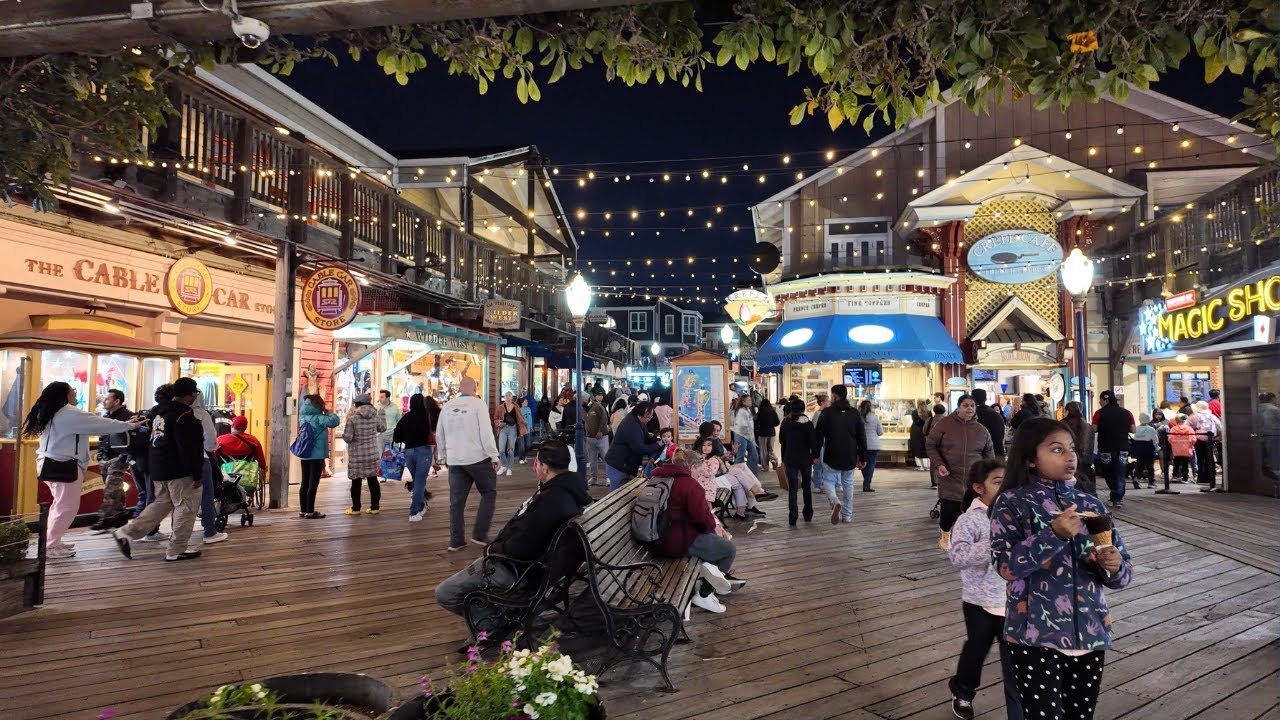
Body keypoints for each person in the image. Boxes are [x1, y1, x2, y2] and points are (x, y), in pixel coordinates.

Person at [991, 417, 1132, 719]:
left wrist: (1113, 565)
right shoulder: (1012, 503)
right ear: (1030, 458)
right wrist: (1052, 535)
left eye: (1071, 449)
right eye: (1057, 450)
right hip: (1034, 636)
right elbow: (1005, 566)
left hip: (1091, 633)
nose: (1070, 457)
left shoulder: (1090, 503)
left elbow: (1122, 572)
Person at [434, 439, 592, 635]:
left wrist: (493, 549)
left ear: (544, 467)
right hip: (544, 570)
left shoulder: (551, 500)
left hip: (518, 571)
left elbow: (520, 548)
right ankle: (500, 615)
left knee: (445, 593)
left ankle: (492, 623)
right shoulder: (571, 492)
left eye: (538, 464)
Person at [24, 381, 141, 558]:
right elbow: (102, 424)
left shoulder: (52, 411)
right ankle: (51, 545)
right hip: (63, 465)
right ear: (66, 395)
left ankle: (52, 540)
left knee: (60, 505)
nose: (75, 394)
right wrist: (129, 425)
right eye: (73, 391)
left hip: (50, 462)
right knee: (66, 506)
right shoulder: (69, 413)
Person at [946, 458, 1023, 720]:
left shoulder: (1016, 514)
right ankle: (963, 691)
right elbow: (958, 556)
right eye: (997, 482)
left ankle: (1019, 709)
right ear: (979, 488)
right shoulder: (969, 521)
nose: (1004, 487)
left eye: (1007, 481)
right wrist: (995, 543)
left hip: (1013, 600)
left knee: (1015, 661)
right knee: (976, 650)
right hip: (979, 601)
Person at [112, 377, 206, 561]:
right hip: (180, 471)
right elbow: (187, 448)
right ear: (190, 394)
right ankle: (176, 549)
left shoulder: (158, 413)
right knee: (186, 508)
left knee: (161, 503)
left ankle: (126, 532)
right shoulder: (184, 416)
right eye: (195, 392)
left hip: (157, 467)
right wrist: (197, 473)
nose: (195, 396)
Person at [650, 449, 746, 614]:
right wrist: (714, 527)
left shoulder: (659, 476)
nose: (698, 474)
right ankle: (704, 594)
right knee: (728, 549)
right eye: (698, 470)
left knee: (714, 539)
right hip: (675, 540)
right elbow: (703, 521)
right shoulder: (689, 485)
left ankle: (710, 572)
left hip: (657, 536)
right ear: (692, 467)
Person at [436, 377, 500, 551]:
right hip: (477, 457)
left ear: (459, 388)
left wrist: (442, 456)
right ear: (475, 387)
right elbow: (486, 433)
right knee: (488, 492)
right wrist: (494, 456)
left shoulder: (447, 406)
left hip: (455, 459)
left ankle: (456, 541)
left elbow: (439, 433)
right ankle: (479, 534)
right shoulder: (478, 404)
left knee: (456, 502)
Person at [925, 394, 993, 549]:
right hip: (950, 474)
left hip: (973, 478)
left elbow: (989, 453)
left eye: (972, 405)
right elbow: (931, 444)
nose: (969, 408)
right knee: (950, 508)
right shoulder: (944, 424)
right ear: (958, 407)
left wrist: (988, 474)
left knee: (973, 508)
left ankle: (968, 538)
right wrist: (939, 464)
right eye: (965, 405)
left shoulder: (982, 430)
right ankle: (945, 535)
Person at [814, 385, 867, 525]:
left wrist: (815, 454)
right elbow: (862, 436)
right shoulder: (855, 413)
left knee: (829, 481)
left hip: (832, 453)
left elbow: (818, 435)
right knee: (848, 484)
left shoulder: (827, 413)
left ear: (835, 396)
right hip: (850, 454)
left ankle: (835, 501)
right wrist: (862, 457)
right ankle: (847, 515)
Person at [90, 388, 136, 532]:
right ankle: (120, 514)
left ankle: (105, 519)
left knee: (111, 488)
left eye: (108, 398)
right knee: (114, 489)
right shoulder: (105, 416)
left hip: (118, 457)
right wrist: (100, 455)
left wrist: (125, 456)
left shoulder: (129, 417)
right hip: (105, 457)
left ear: (117, 401)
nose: (104, 400)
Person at [190, 390, 229, 547]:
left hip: (177, 462)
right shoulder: (201, 414)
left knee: (179, 498)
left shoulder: (171, 413)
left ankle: (177, 532)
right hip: (201, 458)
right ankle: (209, 531)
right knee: (206, 495)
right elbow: (211, 441)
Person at [603, 401, 663, 491]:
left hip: (626, 464)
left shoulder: (637, 420)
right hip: (618, 465)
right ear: (643, 415)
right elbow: (639, 448)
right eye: (650, 416)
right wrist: (657, 445)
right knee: (617, 495)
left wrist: (660, 441)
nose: (650, 419)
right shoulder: (631, 425)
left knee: (624, 492)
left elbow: (646, 437)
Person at [296, 394, 340, 519]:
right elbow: (335, 421)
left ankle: (303, 510)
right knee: (313, 483)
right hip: (316, 456)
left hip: (305, 454)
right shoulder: (320, 418)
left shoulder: (303, 417)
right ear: (318, 405)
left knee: (304, 482)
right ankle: (310, 511)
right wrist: (328, 411)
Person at [394, 393, 436, 522]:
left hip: (409, 452)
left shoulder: (405, 418)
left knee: (417, 480)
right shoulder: (426, 417)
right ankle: (414, 511)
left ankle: (422, 504)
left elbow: (396, 437)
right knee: (419, 481)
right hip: (423, 450)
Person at [342, 392, 385, 515]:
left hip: (357, 455)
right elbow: (382, 428)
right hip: (372, 454)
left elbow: (348, 438)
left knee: (356, 482)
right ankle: (375, 507)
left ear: (358, 404)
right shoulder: (375, 416)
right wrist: (383, 416)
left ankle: (356, 508)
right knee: (373, 480)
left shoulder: (353, 418)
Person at [1091, 389, 1136, 507]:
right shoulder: (1127, 413)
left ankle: (1115, 493)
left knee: (1108, 472)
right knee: (1120, 472)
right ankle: (1118, 497)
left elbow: (1094, 429)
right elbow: (1133, 430)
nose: (1100, 403)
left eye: (1100, 400)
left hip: (1105, 447)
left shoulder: (1099, 413)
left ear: (1105, 400)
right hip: (1122, 447)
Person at [778, 398, 817, 525]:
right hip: (805, 458)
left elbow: (782, 441)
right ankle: (808, 514)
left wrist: (783, 458)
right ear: (803, 409)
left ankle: (793, 516)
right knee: (807, 486)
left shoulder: (786, 423)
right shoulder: (808, 424)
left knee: (793, 488)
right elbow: (813, 442)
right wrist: (815, 456)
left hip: (790, 458)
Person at [1060, 401, 1097, 493]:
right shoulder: (1088, 427)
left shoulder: (1061, 425)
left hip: (1067, 459)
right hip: (1085, 461)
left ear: (1067, 411)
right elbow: (1091, 446)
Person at [581, 389, 610, 487]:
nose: (579, 403)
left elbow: (604, 418)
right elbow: (585, 421)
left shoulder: (597, 406)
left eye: (580, 400)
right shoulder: (582, 408)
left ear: (585, 399)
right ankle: (593, 478)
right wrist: (586, 433)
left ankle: (608, 477)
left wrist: (600, 431)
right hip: (590, 437)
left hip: (601, 437)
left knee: (605, 458)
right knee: (592, 459)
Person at [492, 392, 526, 477]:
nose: (507, 397)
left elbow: (521, 418)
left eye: (509, 396)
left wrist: (522, 428)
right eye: (506, 396)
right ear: (504, 397)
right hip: (503, 428)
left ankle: (509, 468)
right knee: (501, 450)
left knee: (510, 449)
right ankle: (503, 465)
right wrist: (498, 423)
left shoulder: (516, 407)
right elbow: (495, 418)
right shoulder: (500, 407)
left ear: (512, 398)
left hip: (513, 428)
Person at [971, 388, 1006, 457]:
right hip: (996, 453)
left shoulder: (970, 415)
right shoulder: (996, 415)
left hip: (976, 455)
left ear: (972, 399)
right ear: (986, 398)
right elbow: (1001, 435)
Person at [729, 394, 760, 474]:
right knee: (740, 457)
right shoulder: (741, 411)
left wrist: (751, 437)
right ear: (743, 402)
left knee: (754, 455)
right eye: (748, 400)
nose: (751, 401)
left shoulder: (747, 410)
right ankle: (736, 475)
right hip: (741, 435)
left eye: (750, 399)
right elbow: (742, 426)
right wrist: (750, 437)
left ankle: (750, 475)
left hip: (747, 436)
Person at [1131, 413, 1158, 490]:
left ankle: (1136, 478)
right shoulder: (1151, 429)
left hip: (1139, 448)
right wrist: (1156, 448)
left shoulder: (1137, 428)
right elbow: (1155, 441)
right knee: (1150, 466)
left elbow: (1135, 438)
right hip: (1148, 448)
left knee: (1139, 465)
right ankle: (1151, 482)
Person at [754, 398, 780, 471]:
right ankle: (774, 459)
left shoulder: (760, 412)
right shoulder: (773, 411)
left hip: (762, 433)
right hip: (772, 432)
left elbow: (756, 422)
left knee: (763, 450)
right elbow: (777, 422)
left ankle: (765, 467)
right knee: (770, 449)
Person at [1168, 414, 1196, 482]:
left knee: (1176, 463)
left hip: (1176, 450)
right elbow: (1193, 439)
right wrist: (1190, 445)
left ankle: (1175, 476)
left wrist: (1174, 444)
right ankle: (1185, 478)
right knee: (1185, 464)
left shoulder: (1173, 429)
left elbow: (1170, 439)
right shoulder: (1189, 429)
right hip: (1186, 449)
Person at [908, 399, 930, 472]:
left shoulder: (914, 412)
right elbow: (929, 422)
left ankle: (921, 466)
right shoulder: (929, 412)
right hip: (926, 431)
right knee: (926, 448)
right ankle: (928, 466)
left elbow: (915, 422)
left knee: (917, 448)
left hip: (916, 431)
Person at [377, 389, 401, 455]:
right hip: (380, 435)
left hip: (393, 435)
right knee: (380, 455)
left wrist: (397, 432)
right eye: (379, 397)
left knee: (394, 455)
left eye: (382, 397)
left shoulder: (395, 407)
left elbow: (399, 421)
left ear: (387, 398)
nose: (380, 399)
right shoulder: (377, 407)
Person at [516, 397, 535, 463]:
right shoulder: (518, 410)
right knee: (521, 445)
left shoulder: (528, 409)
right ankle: (521, 458)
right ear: (522, 403)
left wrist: (531, 426)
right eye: (526, 401)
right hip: (520, 428)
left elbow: (530, 418)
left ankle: (524, 456)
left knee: (528, 444)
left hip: (528, 428)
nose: (527, 402)